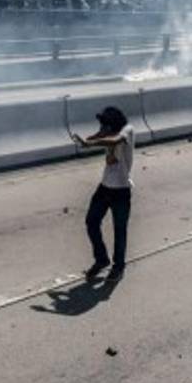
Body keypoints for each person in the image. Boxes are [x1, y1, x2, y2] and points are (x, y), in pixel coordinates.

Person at [72, 105, 135, 282]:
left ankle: (118, 266)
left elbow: (115, 141)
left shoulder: (127, 131)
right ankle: (101, 259)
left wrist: (90, 142)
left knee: (119, 230)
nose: (102, 129)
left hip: (121, 190)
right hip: (105, 187)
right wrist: (86, 141)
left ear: (113, 124)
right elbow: (99, 136)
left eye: (105, 126)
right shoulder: (108, 131)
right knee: (91, 221)